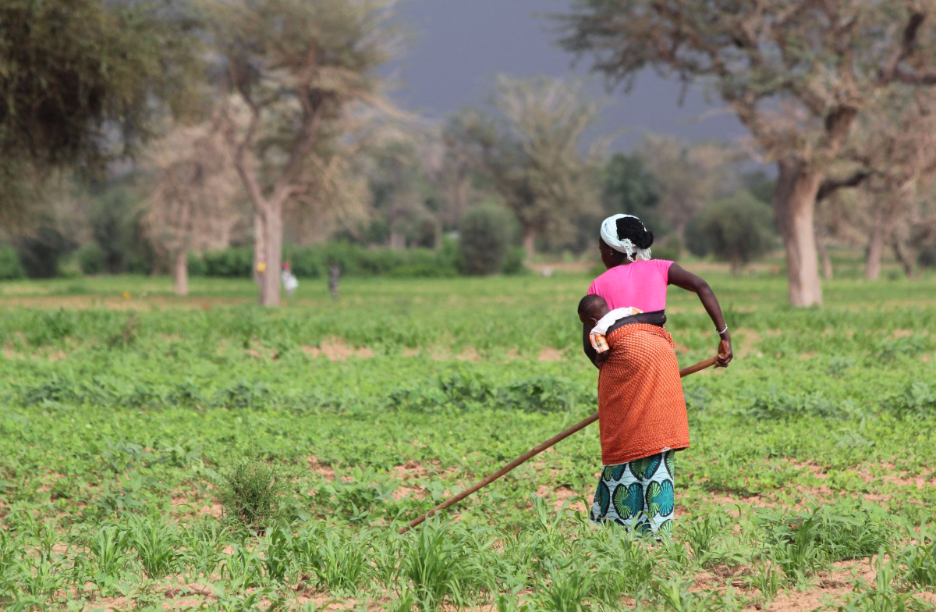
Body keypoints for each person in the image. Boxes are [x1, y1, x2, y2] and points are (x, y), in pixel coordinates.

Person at [581, 213, 732, 536]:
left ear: (610, 251)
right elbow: (701, 285)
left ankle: (618, 523)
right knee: (658, 439)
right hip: (662, 357)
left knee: (624, 438)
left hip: (623, 357)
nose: (599, 254)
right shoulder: (661, 267)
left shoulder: (599, 285)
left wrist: (616, 373)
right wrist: (724, 335)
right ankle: (658, 526)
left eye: (600, 248)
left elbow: (590, 346)